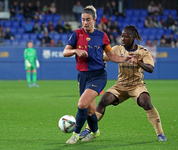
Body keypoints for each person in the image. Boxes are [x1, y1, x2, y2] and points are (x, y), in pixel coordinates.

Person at [80, 25, 167, 142]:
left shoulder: (143, 52)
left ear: (133, 37)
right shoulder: (117, 49)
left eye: (126, 36)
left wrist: (138, 61)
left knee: (146, 102)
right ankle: (88, 129)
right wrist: (98, 61)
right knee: (103, 101)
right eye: (122, 36)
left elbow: (150, 68)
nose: (123, 39)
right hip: (120, 86)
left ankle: (160, 134)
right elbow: (102, 58)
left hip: (136, 85)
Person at [62, 5, 132, 144]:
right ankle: (95, 132)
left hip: (98, 76)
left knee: (82, 104)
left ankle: (75, 135)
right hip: (82, 76)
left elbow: (111, 55)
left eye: (88, 19)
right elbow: (65, 52)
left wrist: (124, 59)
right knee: (90, 111)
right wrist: (76, 51)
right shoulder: (77, 34)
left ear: (94, 20)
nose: (85, 22)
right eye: (83, 19)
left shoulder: (102, 36)